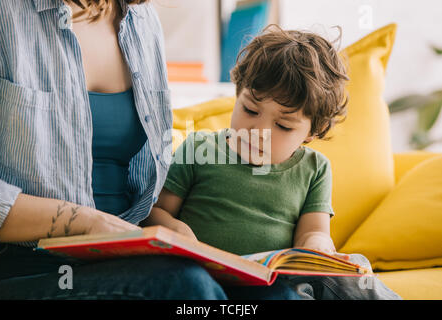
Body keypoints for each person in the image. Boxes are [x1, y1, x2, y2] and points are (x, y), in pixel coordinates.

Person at [0, 0, 265, 300]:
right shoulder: (3, 13)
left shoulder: (142, 20)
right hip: (29, 267)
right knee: (184, 286)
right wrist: (87, 222)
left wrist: (168, 229)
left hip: (121, 257)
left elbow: (131, 185)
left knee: (272, 294)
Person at [143, 25, 402, 300]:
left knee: (353, 273)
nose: (259, 131)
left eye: (283, 125)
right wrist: (177, 229)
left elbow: (312, 233)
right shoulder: (199, 148)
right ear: (238, 94)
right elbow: (155, 211)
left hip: (275, 280)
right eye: (250, 110)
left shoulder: (314, 168)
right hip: (205, 277)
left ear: (312, 132)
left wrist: (320, 249)